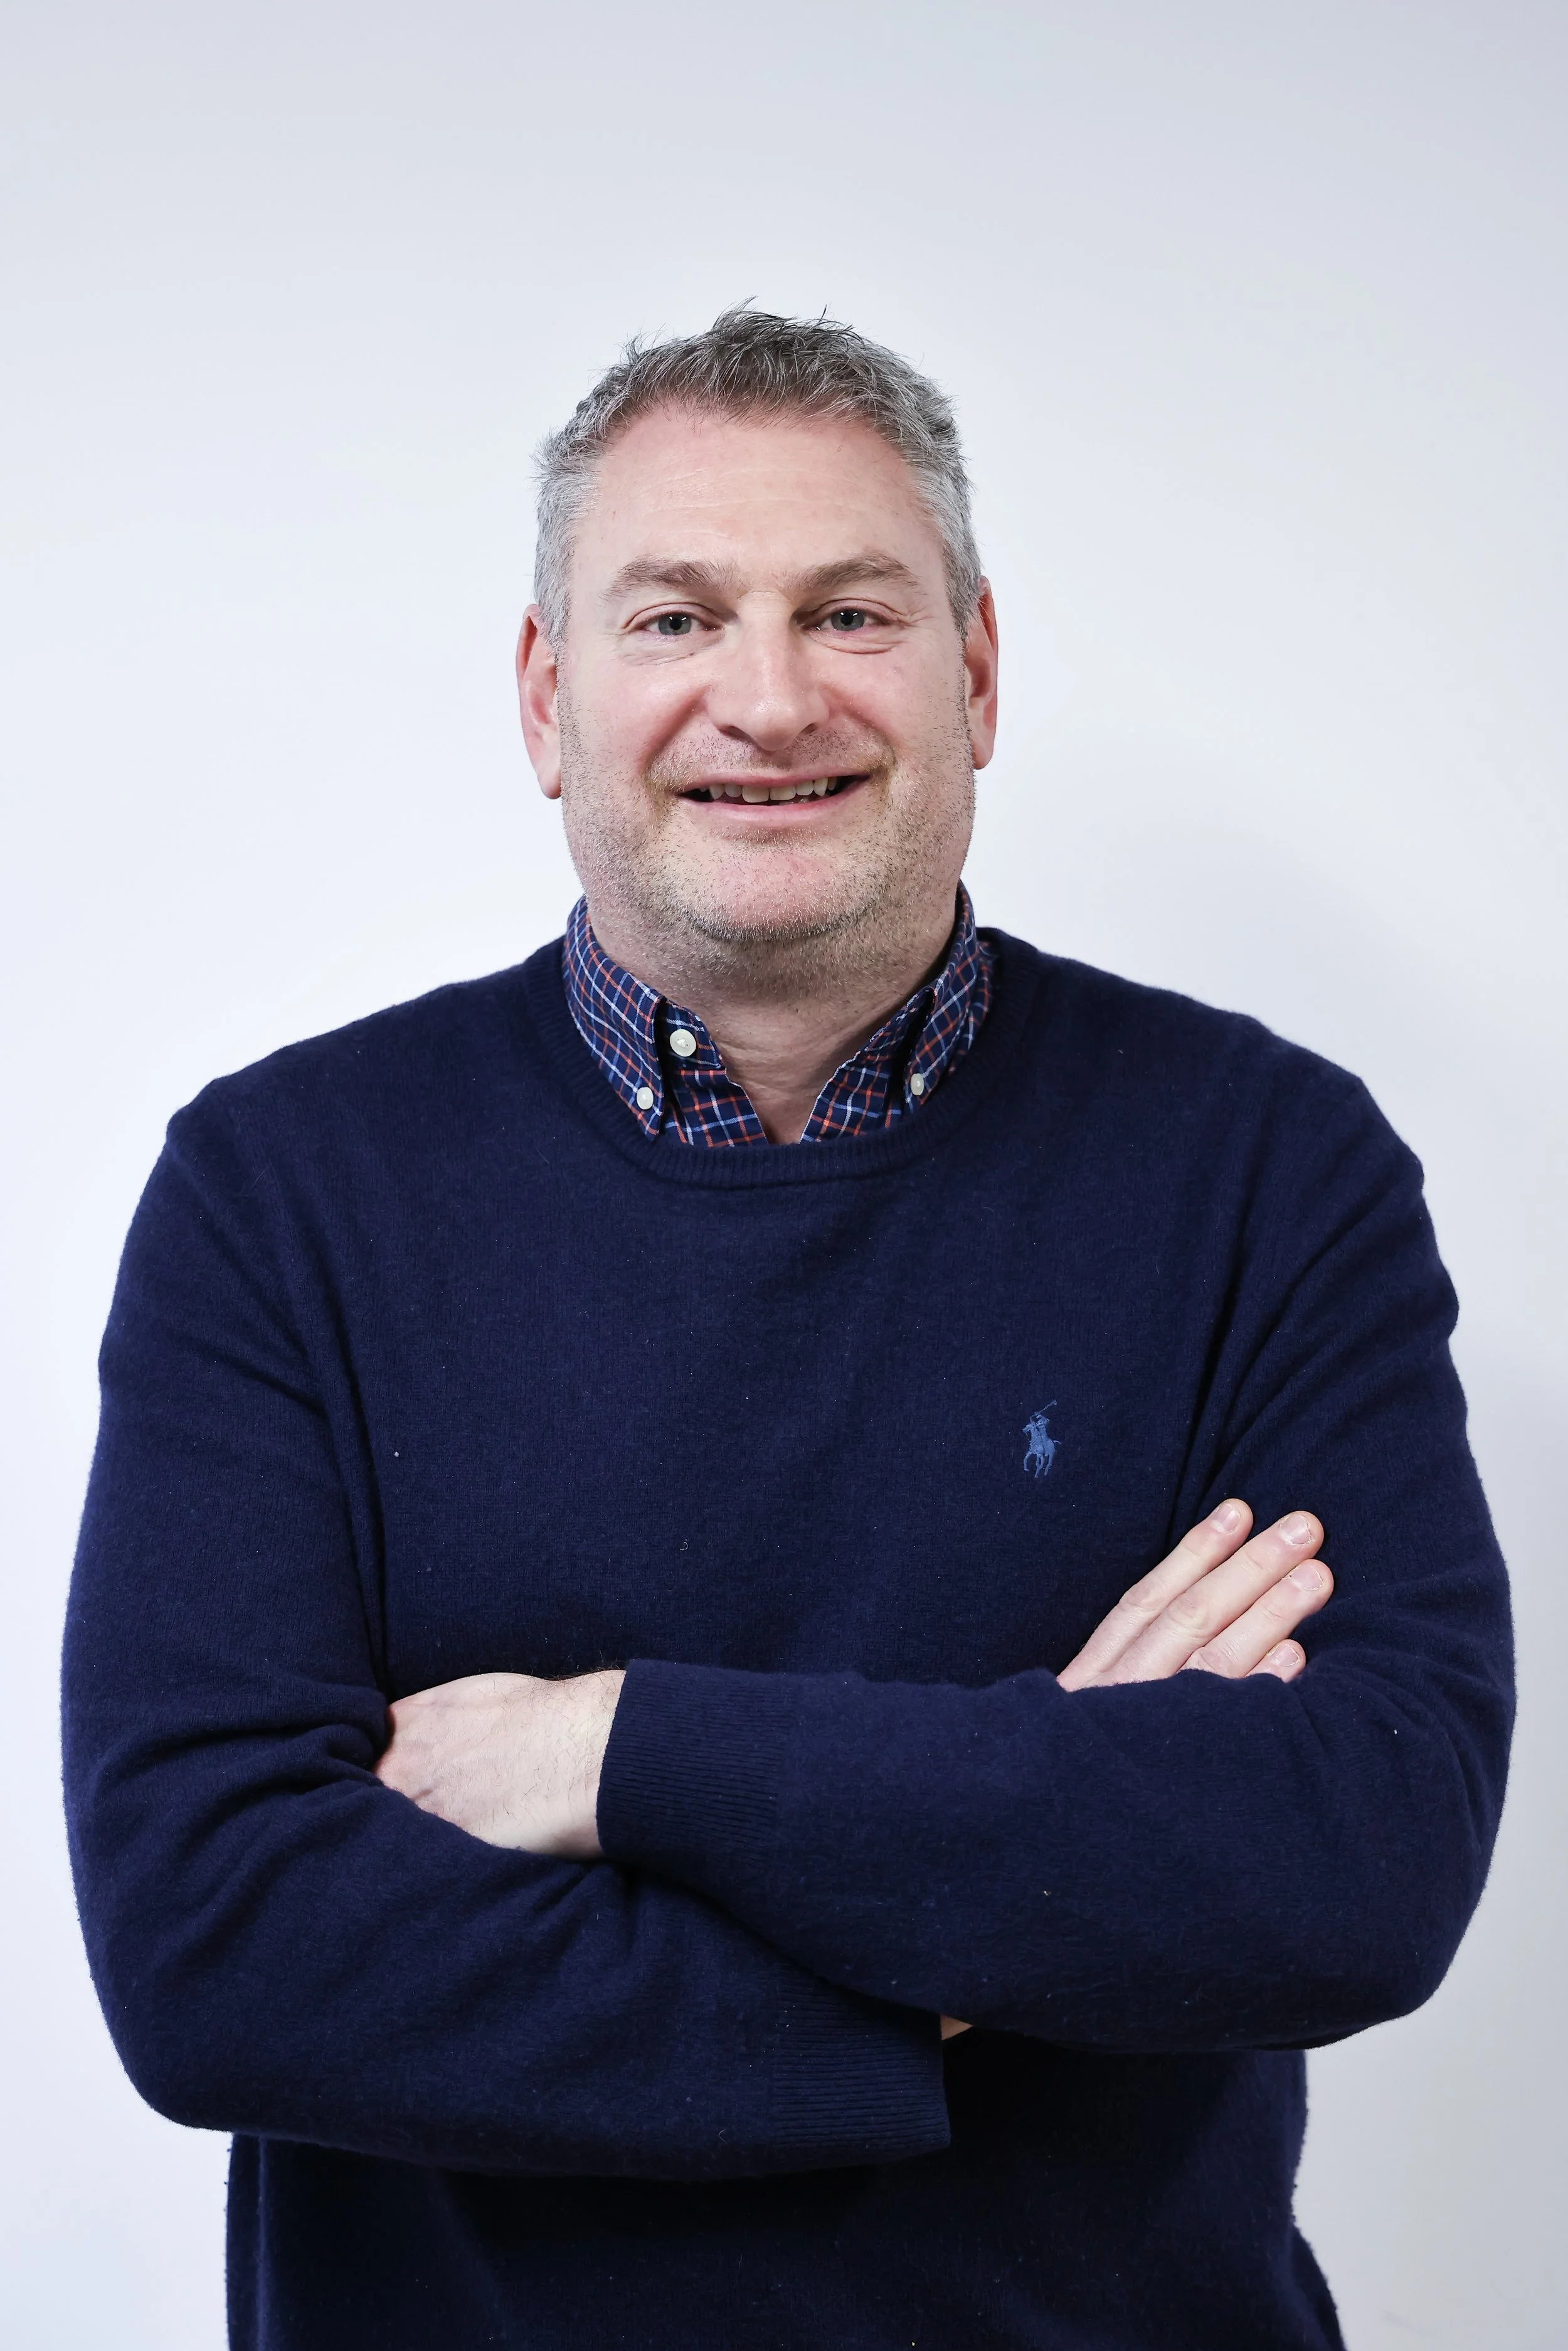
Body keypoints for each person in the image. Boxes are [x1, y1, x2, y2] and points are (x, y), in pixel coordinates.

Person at [63, 309, 1513, 2351]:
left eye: (848, 610)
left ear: (978, 671)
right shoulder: (279, 1191)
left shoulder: (1265, 1165)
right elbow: (218, 1949)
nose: (766, 698)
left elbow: (1359, 1851)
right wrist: (989, 1908)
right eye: (672, 620)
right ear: (547, 695)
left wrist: (611, 1747)